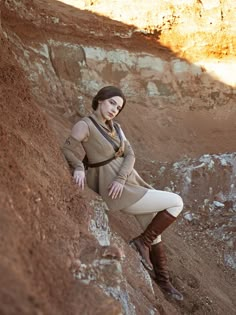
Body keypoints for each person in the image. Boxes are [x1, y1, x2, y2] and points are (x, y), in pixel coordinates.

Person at [62, 86, 184, 301]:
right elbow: (68, 149)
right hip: (114, 189)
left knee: (153, 228)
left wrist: (121, 178)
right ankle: (141, 243)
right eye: (111, 103)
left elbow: (130, 155)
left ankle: (164, 281)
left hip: (128, 182)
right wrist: (79, 167)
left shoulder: (116, 128)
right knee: (176, 202)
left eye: (118, 108)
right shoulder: (85, 125)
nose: (114, 110)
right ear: (100, 100)